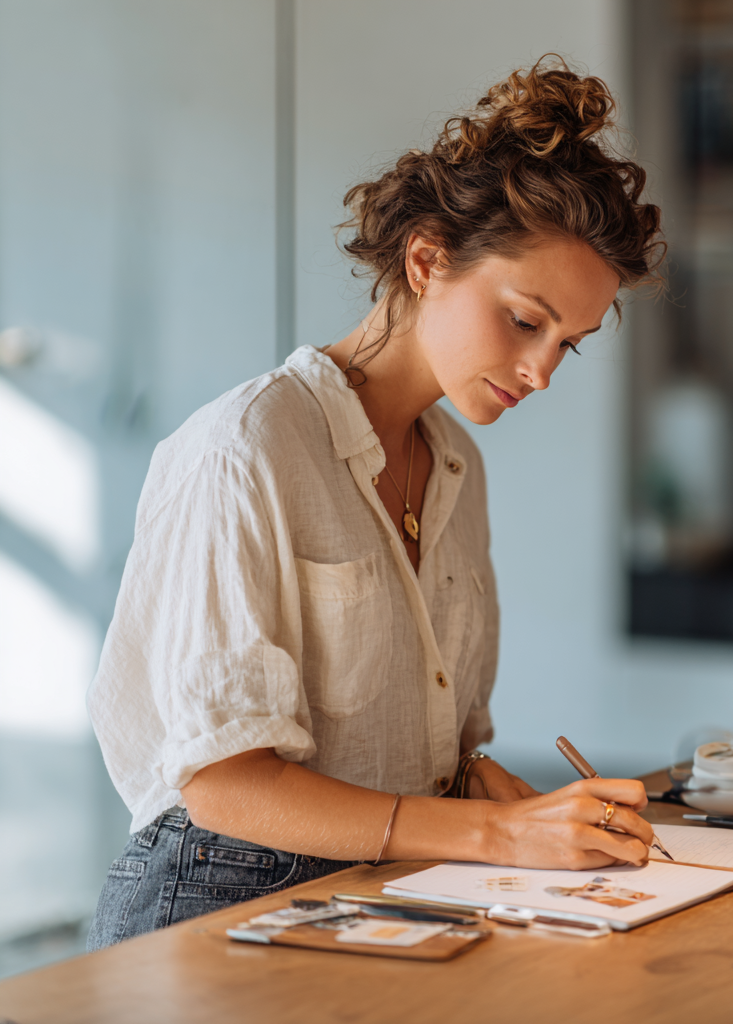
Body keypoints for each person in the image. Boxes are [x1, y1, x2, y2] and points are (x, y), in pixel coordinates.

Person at [86, 55, 663, 951]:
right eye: (525, 320)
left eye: (568, 344)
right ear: (426, 260)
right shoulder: (244, 448)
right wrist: (494, 834)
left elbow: (415, 750)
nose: (542, 372)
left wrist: (482, 788)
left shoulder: (456, 467)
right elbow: (225, 785)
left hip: (382, 896)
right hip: (213, 903)